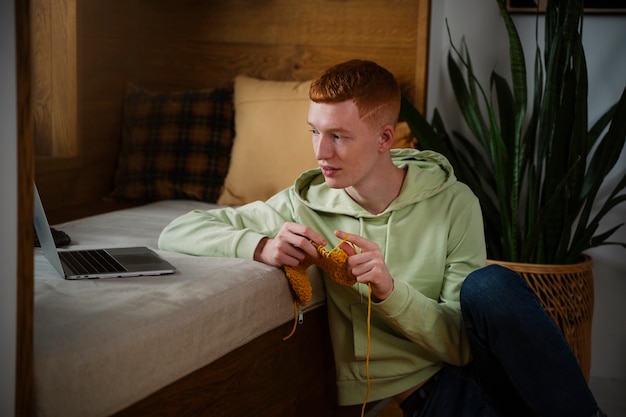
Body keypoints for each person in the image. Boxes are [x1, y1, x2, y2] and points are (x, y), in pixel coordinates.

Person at [158, 60, 605, 417]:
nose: (320, 152)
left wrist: (390, 292)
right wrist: (260, 246)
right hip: (431, 397)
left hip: (480, 364)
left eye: (338, 136)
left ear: (384, 137)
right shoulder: (304, 202)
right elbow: (179, 229)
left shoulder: (453, 202)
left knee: (489, 285)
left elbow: (460, 343)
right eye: (314, 132)